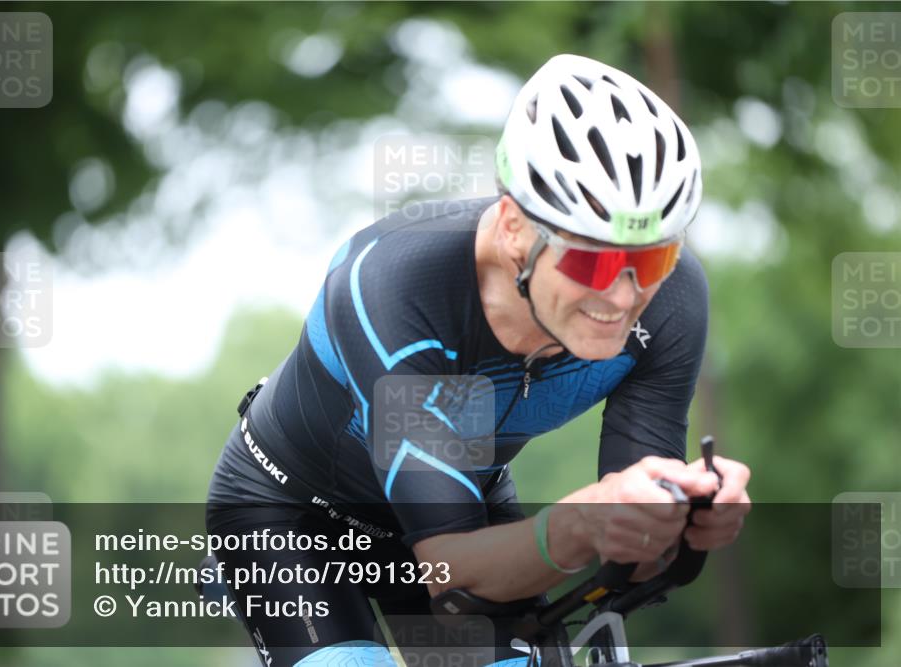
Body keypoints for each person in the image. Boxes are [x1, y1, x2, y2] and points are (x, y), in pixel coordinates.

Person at [206, 53, 751, 667]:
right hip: (294, 517)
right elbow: (451, 568)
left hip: (461, 498)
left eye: (650, 260)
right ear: (515, 227)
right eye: (592, 262)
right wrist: (577, 525)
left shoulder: (673, 301)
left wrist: (682, 521)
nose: (625, 297)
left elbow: (629, 563)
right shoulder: (397, 285)